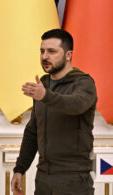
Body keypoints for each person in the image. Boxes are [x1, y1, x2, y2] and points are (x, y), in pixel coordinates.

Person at [11, 29, 97, 195]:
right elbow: (33, 131)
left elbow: (76, 105)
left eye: (52, 51)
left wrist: (46, 96)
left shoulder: (84, 83)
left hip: (74, 179)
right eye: (42, 51)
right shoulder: (43, 85)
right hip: (43, 178)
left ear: (68, 55)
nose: (44, 56)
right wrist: (19, 169)